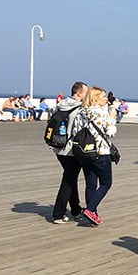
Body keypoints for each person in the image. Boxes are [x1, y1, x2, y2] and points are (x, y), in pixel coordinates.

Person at [76, 86, 116, 226]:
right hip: (101, 151)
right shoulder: (100, 113)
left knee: (91, 184)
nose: (106, 99)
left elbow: (76, 130)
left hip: (85, 152)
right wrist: (112, 117)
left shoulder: (81, 112)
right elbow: (110, 131)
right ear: (95, 98)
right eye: (103, 96)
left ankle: (93, 215)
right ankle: (90, 210)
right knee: (106, 183)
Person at [50, 81, 88, 224]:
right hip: (71, 149)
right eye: (85, 92)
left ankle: (76, 210)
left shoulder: (61, 104)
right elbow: (79, 130)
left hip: (58, 147)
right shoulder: (79, 109)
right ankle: (58, 214)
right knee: (68, 180)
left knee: (71, 178)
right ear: (79, 93)